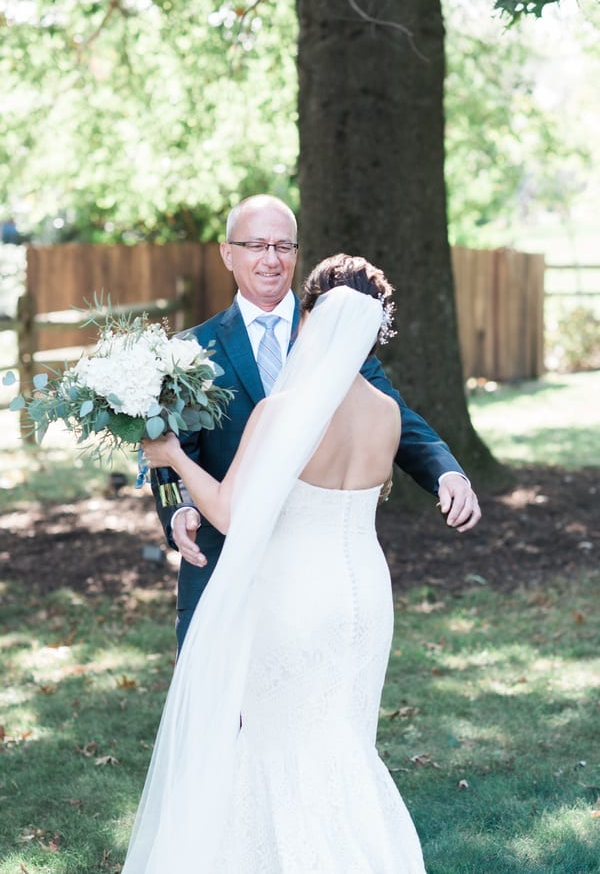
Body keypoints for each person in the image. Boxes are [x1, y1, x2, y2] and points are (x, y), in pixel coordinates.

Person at [124, 259, 427, 872]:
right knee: (343, 746)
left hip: (293, 599)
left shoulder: (283, 411)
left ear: (310, 317)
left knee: (279, 746)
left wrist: (174, 457)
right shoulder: (388, 414)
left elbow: (231, 513)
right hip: (364, 598)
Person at [152, 194, 480, 650]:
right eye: (256, 245)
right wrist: (179, 510)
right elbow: (170, 451)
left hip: (312, 570)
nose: (271, 259)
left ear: (297, 254)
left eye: (284, 246)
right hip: (220, 557)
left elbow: (393, 414)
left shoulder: (335, 330)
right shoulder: (188, 350)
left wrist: (446, 470)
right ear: (228, 253)